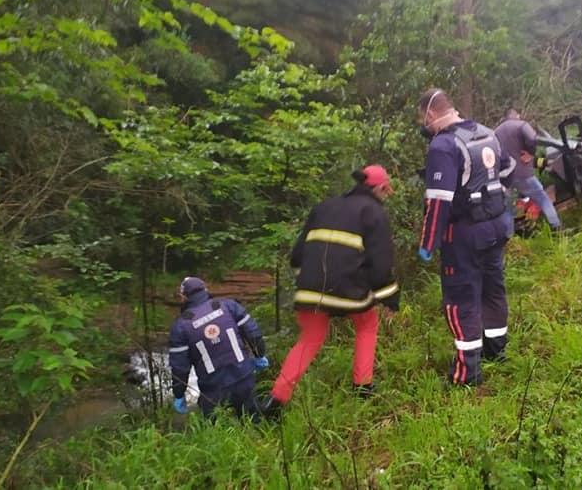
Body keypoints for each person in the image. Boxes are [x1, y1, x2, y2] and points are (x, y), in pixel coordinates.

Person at [261, 165, 400, 414]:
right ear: (379, 188)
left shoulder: (324, 206)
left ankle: (276, 400)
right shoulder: (374, 212)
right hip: (350, 290)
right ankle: (363, 386)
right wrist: (390, 299)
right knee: (367, 324)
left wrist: (308, 281)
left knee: (309, 339)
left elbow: (297, 257)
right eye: (385, 191)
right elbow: (380, 263)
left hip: (310, 289)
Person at [417, 88, 516, 386]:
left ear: (431, 113)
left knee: (461, 298)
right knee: (492, 288)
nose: (422, 124)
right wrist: (490, 191)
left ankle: (466, 373)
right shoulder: (486, 132)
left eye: (422, 118)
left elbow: (438, 202)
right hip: (497, 226)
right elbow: (508, 168)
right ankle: (496, 350)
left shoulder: (443, 146)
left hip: (464, 236)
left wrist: (428, 244)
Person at [168, 276, 268, 418]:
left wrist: (179, 394)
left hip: (213, 389)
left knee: (219, 430)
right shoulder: (229, 306)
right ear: (205, 289)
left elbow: (180, 367)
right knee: (254, 421)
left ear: (183, 297)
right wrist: (260, 355)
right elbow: (253, 332)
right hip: (244, 377)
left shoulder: (180, 327)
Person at [494, 108, 562, 231]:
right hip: (524, 174)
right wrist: (531, 153)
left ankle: (508, 235)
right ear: (517, 116)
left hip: (504, 177)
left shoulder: (496, 131)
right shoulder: (522, 125)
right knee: (542, 198)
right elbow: (532, 139)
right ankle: (556, 227)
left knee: (508, 207)